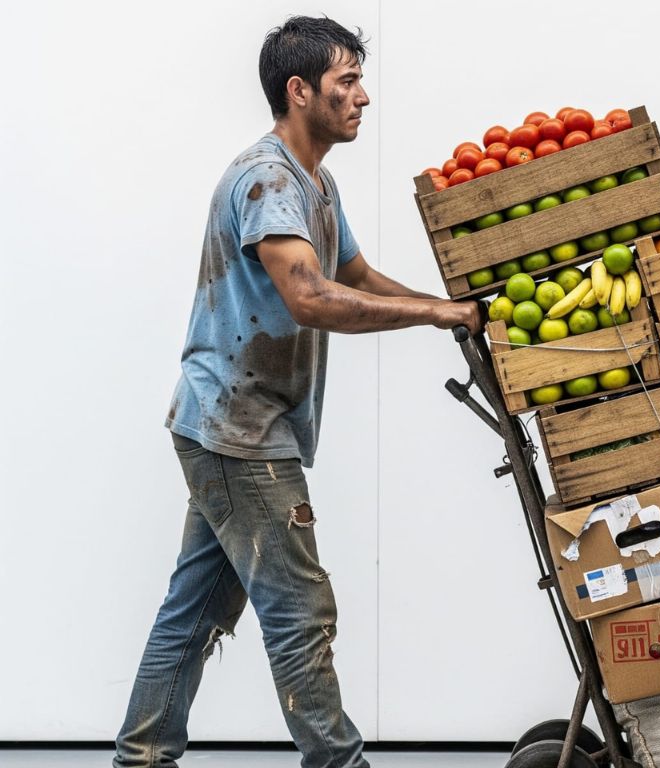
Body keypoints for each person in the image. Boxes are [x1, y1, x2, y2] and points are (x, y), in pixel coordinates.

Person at [112, 15, 481, 768]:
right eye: (347, 82)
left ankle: (140, 758)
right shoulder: (268, 178)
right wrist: (437, 312)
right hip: (237, 430)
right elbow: (309, 296)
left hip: (230, 422)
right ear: (299, 90)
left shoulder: (316, 180)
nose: (362, 97)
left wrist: (443, 311)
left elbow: (354, 276)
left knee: (197, 607)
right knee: (300, 610)